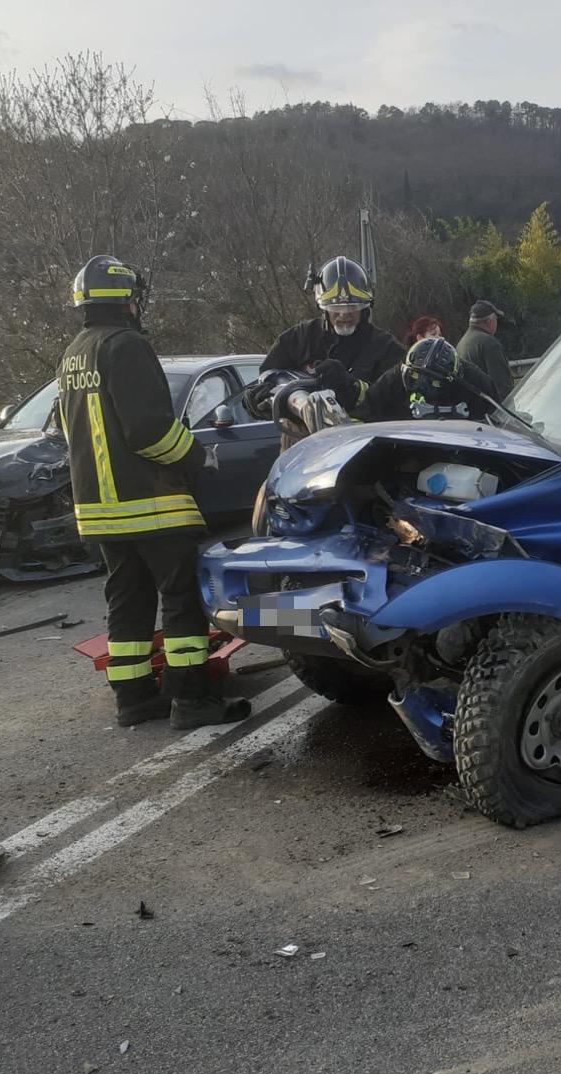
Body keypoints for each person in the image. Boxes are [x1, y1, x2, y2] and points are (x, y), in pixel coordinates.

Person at [56, 254, 250, 731]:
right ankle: (191, 699)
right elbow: (148, 431)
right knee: (181, 598)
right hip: (151, 503)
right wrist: (196, 457)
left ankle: (134, 697)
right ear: (128, 300)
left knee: (128, 601)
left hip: (100, 511)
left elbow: (70, 429)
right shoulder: (126, 345)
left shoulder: (74, 353)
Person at [258, 256, 406, 424]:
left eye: (352, 307)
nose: (344, 314)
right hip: (303, 437)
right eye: (335, 308)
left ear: (365, 307)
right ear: (323, 308)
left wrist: (352, 389)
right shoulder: (300, 338)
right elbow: (267, 380)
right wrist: (258, 400)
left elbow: (398, 405)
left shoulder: (386, 348)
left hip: (365, 436)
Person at [354, 337, 492, 423]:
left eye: (434, 382)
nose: (420, 385)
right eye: (414, 376)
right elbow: (364, 415)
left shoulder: (474, 383)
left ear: (453, 380)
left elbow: (495, 421)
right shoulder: (393, 380)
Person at [456, 299, 513, 402]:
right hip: (491, 408)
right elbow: (502, 386)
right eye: (496, 319)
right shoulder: (489, 343)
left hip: (472, 406)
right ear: (489, 321)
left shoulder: (461, 344)